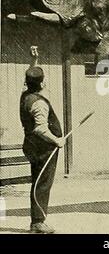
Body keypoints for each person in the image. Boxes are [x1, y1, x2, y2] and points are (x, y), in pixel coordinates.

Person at [20, 46, 65, 233]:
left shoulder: (27, 94)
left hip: (31, 145)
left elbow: (31, 78)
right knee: (42, 184)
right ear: (41, 83)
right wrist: (57, 140)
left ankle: (37, 220)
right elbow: (40, 128)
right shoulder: (39, 103)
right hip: (43, 147)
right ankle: (38, 222)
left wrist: (34, 61)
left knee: (38, 181)